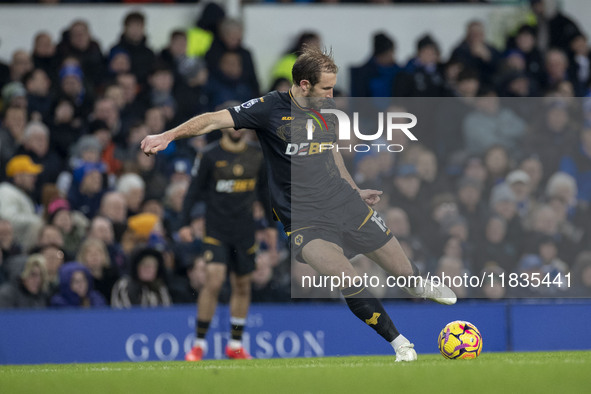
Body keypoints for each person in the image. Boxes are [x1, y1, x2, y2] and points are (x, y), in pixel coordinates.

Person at [141, 45, 456, 362]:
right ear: (304, 85)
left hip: (346, 205)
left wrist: (354, 189)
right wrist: (168, 135)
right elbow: (212, 120)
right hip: (305, 220)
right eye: (326, 88)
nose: (332, 95)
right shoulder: (268, 108)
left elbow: (331, 153)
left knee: (407, 278)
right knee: (348, 279)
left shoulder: (327, 113)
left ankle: (416, 283)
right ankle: (400, 343)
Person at [180, 126, 275, 361]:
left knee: (243, 285)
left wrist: (271, 225)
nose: (236, 129)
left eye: (241, 124)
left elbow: (264, 191)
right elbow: (193, 190)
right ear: (223, 127)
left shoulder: (257, 155)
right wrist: (183, 223)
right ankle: (199, 344)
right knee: (214, 279)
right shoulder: (210, 155)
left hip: (245, 231)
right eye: (232, 124)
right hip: (216, 230)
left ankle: (235, 344)